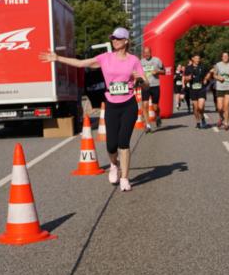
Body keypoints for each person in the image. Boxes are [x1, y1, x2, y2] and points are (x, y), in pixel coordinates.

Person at [40, 27, 145, 192]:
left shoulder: (134, 60)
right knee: (111, 145)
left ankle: (125, 178)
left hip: (128, 105)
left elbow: (144, 81)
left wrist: (140, 79)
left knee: (124, 143)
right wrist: (57, 58)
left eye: (118, 38)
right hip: (111, 104)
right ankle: (113, 164)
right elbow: (81, 63)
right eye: (113, 38)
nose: (114, 41)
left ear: (126, 41)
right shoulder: (105, 58)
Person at [184, 54, 212, 129]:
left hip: (201, 88)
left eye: (199, 58)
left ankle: (202, 118)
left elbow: (209, 73)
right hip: (193, 89)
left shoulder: (202, 66)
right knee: (196, 108)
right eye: (196, 58)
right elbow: (185, 78)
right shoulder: (188, 68)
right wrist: (188, 78)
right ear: (192, 59)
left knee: (200, 106)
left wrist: (206, 78)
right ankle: (198, 121)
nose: (197, 60)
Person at [140, 46, 165, 132]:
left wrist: (157, 71)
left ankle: (157, 115)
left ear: (151, 52)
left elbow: (164, 71)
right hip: (145, 86)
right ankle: (148, 125)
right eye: (145, 53)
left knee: (155, 107)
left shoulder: (157, 60)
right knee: (145, 105)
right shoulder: (140, 62)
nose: (146, 54)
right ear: (143, 53)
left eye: (148, 52)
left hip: (155, 85)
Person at [212, 51, 229, 130]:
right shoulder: (218, 65)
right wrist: (218, 78)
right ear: (221, 57)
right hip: (220, 88)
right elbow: (214, 75)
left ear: (228, 57)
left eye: (227, 56)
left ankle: (226, 123)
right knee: (220, 107)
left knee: (226, 106)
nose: (225, 57)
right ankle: (221, 117)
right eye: (224, 56)